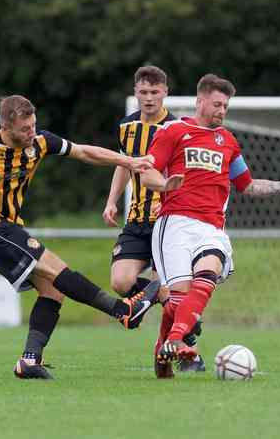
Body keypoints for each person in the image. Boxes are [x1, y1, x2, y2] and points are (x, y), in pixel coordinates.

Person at [0, 94, 159, 380]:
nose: (32, 133)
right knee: (55, 267)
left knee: (53, 289)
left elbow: (84, 152)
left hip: (9, 227)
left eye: (34, 126)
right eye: (25, 129)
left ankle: (29, 360)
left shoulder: (39, 141)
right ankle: (122, 311)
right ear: (6, 127)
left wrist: (128, 162)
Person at [141, 74, 280, 378]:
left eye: (226, 105)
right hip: (174, 224)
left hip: (212, 228)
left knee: (208, 275)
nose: (222, 110)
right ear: (200, 101)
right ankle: (163, 351)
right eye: (217, 104)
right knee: (177, 302)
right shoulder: (174, 131)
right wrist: (164, 183)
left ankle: (175, 341)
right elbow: (146, 173)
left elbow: (248, 185)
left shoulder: (227, 140)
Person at [102, 65, 205, 372]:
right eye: (143, 92)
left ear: (165, 93)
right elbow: (123, 164)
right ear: (136, 93)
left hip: (168, 221)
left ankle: (188, 352)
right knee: (121, 282)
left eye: (154, 92)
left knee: (174, 288)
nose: (149, 98)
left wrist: (174, 199)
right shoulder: (127, 127)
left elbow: (184, 175)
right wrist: (111, 201)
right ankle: (179, 313)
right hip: (136, 220)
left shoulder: (176, 128)